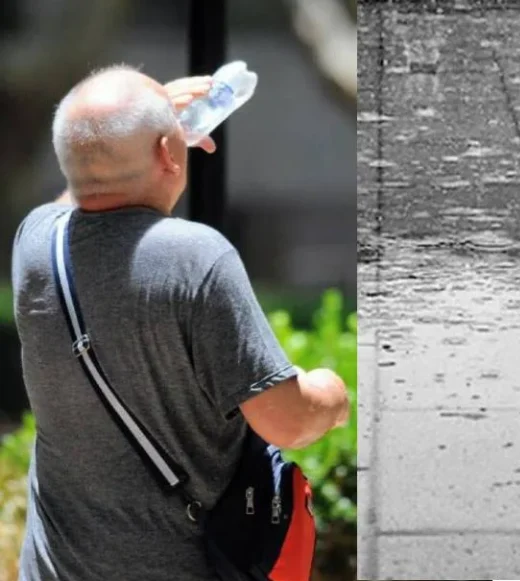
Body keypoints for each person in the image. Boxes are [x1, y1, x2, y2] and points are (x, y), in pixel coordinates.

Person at [11, 65, 349, 581]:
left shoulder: (35, 244)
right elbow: (288, 421)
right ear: (170, 154)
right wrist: (331, 392)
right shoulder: (194, 258)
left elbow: (78, 190)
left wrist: (134, 130)